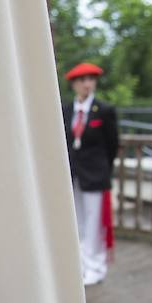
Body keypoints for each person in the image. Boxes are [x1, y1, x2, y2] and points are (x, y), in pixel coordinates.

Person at [63, 62, 120, 286]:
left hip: (95, 176)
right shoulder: (67, 110)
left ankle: (96, 267)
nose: (87, 84)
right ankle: (82, 264)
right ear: (74, 84)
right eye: (82, 80)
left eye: (91, 79)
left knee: (94, 223)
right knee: (78, 220)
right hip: (75, 174)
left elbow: (112, 145)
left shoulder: (104, 110)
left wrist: (104, 170)